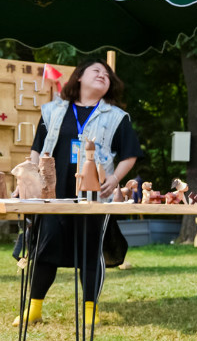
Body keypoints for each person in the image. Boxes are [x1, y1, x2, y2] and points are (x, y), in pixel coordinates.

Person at [15, 59, 141, 326]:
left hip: (93, 196)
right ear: (79, 77)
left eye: (107, 75)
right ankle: (34, 309)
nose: (102, 75)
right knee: (45, 248)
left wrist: (115, 179)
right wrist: (30, 177)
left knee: (90, 250)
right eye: (96, 71)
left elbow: (130, 154)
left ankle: (90, 309)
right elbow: (37, 148)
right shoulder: (52, 111)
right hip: (53, 193)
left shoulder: (117, 117)